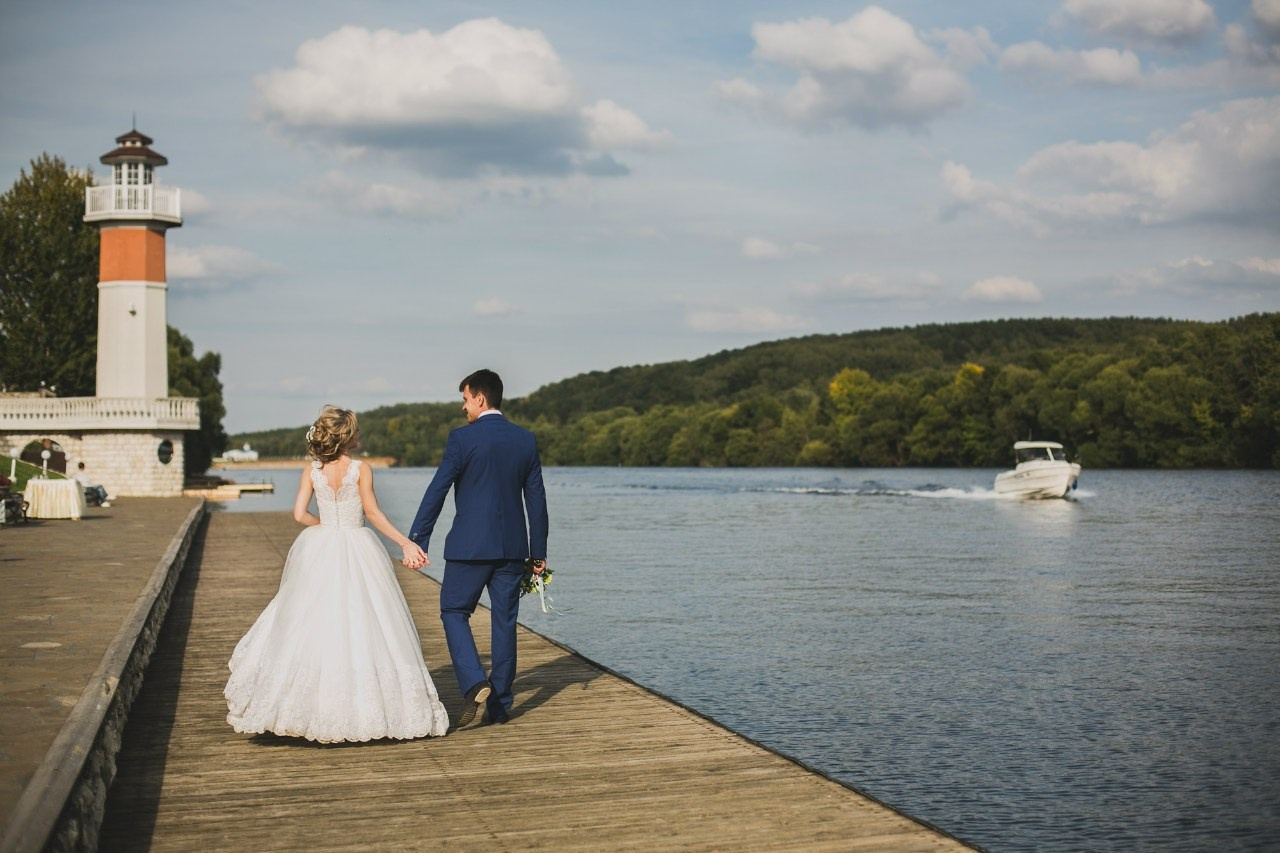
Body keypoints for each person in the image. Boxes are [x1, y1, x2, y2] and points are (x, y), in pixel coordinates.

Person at [224, 405, 449, 742]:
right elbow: (372, 513)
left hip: (321, 545)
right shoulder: (360, 469)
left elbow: (299, 514)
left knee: (312, 621)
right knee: (364, 622)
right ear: (346, 436)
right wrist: (405, 543)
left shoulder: (311, 471)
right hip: (359, 545)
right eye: (356, 431)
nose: (360, 435)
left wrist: (325, 529)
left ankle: (296, 708)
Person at [408, 369, 549, 729]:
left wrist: (418, 538)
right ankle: (500, 707)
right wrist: (538, 552)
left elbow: (437, 490)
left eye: (465, 399)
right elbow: (537, 502)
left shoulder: (462, 440)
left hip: (469, 548)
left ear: (480, 399)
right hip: (513, 550)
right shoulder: (525, 440)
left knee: (454, 610)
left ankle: (475, 683)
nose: (463, 407)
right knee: (504, 622)